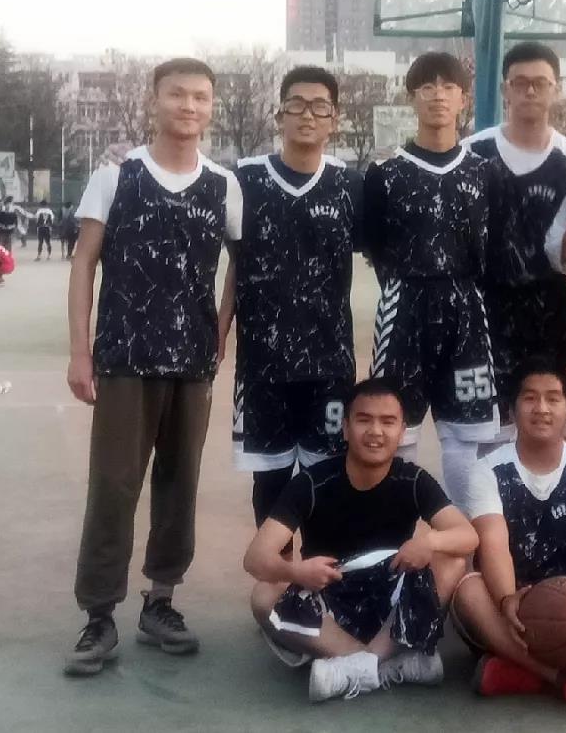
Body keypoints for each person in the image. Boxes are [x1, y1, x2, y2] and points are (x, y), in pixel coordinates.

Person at [63, 58, 243, 677]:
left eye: (200, 97)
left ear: (211, 107)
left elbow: (240, 263)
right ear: (155, 101)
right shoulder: (117, 174)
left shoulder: (224, 184)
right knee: (114, 485)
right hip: (123, 357)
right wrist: (80, 350)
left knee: (179, 484)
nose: (188, 106)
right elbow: (84, 262)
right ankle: (98, 614)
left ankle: (160, 601)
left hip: (192, 362)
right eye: (177, 94)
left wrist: (222, 323)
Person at [244, 377, 477, 703]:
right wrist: (297, 572)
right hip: (328, 598)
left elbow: (468, 536)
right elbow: (255, 558)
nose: (376, 431)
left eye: (388, 422)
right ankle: (384, 664)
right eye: (364, 420)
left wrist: (430, 542)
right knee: (264, 594)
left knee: (450, 560)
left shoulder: (414, 480)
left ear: (402, 431)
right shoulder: (311, 483)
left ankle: (360, 667)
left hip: (391, 600)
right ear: (345, 428)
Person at [451, 358, 566, 714]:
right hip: (516, 611)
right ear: (512, 409)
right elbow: (493, 543)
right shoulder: (488, 470)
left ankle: (520, 671)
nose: (542, 408)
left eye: (553, 398)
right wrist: (507, 599)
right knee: (467, 589)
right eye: (530, 398)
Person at [363, 52, 498, 511]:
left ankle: (464, 538)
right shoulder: (385, 174)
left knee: (465, 435)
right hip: (404, 306)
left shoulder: (484, 172)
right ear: (412, 98)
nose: (438, 95)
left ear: (463, 99)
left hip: (467, 310)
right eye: (427, 87)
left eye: (448, 87)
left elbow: (493, 247)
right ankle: (394, 536)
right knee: (393, 428)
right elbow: (374, 246)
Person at [232, 66, 362, 525]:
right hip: (262, 364)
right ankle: (276, 568)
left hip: (330, 362)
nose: (308, 115)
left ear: (334, 119)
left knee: (328, 481)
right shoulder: (244, 180)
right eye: (297, 105)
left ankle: (323, 569)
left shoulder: (351, 186)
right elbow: (230, 267)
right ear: (279, 115)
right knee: (269, 485)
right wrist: (218, 333)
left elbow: (385, 257)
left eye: (320, 107)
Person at [462, 42, 566, 450]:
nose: (530, 91)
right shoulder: (474, 153)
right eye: (520, 82)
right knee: (490, 438)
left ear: (556, 89)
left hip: (551, 317)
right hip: (486, 317)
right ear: (505, 88)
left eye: (540, 83)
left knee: (556, 433)